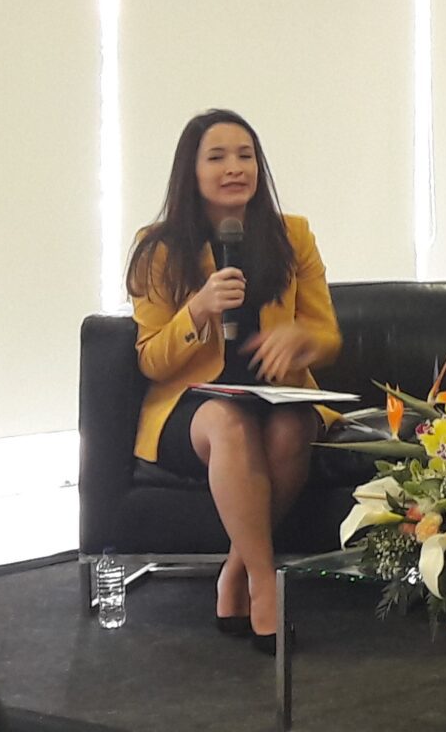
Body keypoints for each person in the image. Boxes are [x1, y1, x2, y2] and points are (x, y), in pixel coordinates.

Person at [128, 109, 341, 654]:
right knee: (229, 423)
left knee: (293, 427)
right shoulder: (158, 248)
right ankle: (265, 586)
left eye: (245, 156)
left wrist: (301, 338)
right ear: (191, 171)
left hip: (277, 394)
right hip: (193, 405)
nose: (234, 168)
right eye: (217, 157)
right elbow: (151, 360)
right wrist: (197, 310)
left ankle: (236, 570)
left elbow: (327, 335)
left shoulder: (293, 236)